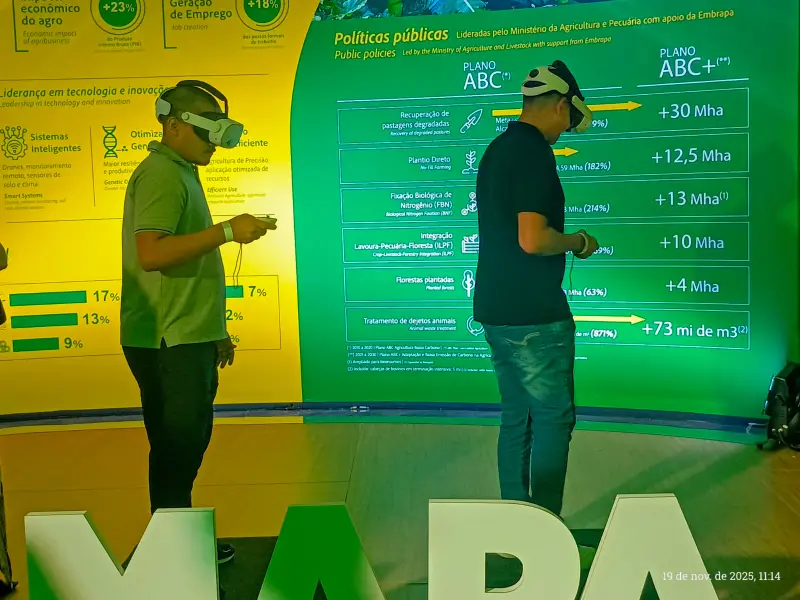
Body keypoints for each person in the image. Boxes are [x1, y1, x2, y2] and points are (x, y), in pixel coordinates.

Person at [120, 80, 275, 579]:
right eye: (208, 129)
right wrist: (228, 231)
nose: (215, 141)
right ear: (173, 126)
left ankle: (176, 541)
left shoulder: (181, 171)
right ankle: (171, 551)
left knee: (184, 445)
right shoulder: (162, 175)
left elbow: (187, 263)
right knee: (178, 447)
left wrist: (214, 330)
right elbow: (152, 254)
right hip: (167, 341)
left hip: (187, 335)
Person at [473, 61, 599, 518]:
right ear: (561, 106)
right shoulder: (534, 153)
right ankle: (545, 530)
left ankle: (517, 527)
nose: (564, 132)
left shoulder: (497, 149)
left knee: (517, 418)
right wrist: (578, 242)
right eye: (569, 120)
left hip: (496, 307)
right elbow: (532, 238)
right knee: (551, 419)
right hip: (535, 314)